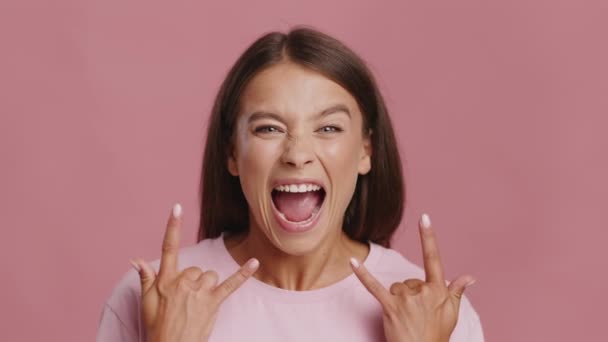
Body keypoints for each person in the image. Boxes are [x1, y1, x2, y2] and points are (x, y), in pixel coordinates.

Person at [96, 27, 484, 342]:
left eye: (328, 127)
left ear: (365, 150)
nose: (297, 154)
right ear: (232, 153)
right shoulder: (151, 298)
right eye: (269, 128)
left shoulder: (437, 314)